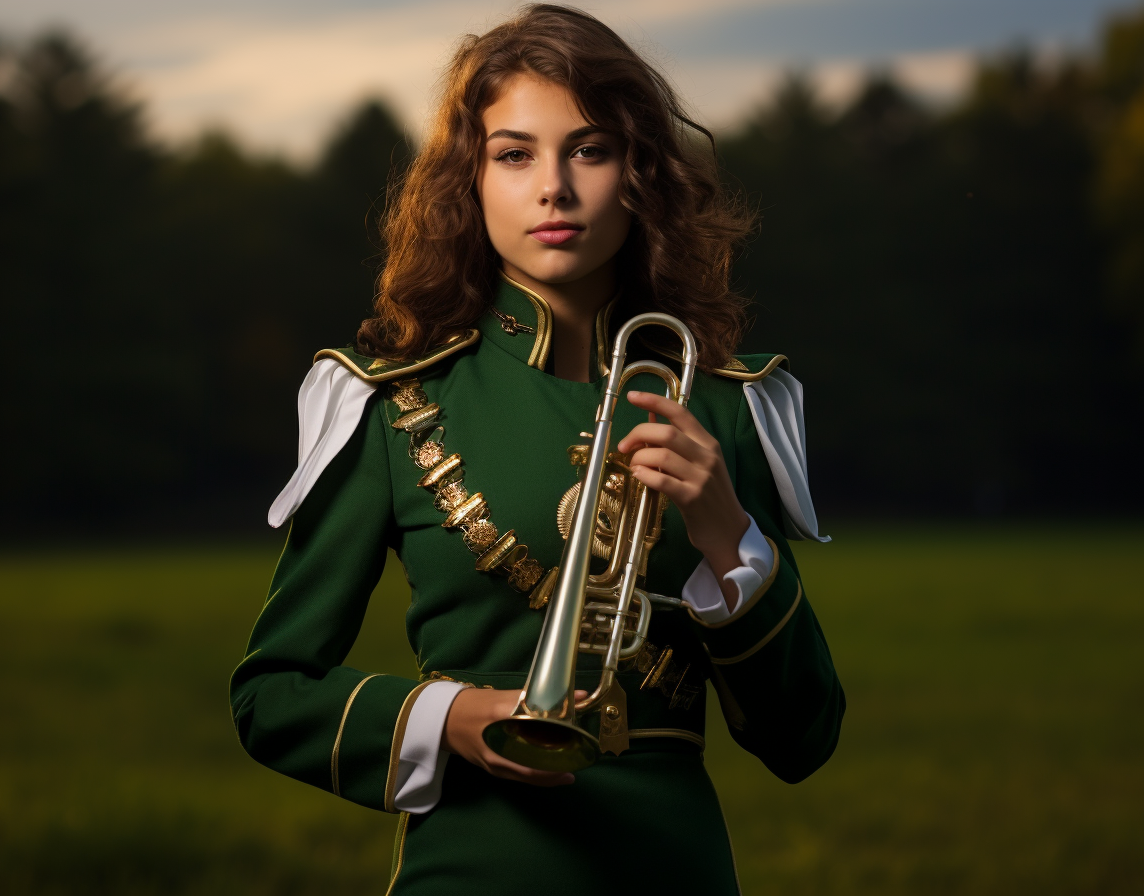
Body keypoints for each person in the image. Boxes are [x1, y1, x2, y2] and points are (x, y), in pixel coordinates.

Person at [230, 6, 844, 894]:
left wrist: (725, 527)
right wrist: (450, 717)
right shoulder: (389, 400)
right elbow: (270, 695)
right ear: (469, 180)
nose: (553, 187)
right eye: (515, 155)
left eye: (589, 150)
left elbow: (804, 741)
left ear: (640, 173)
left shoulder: (728, 405)